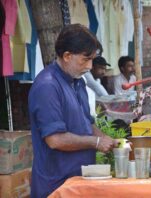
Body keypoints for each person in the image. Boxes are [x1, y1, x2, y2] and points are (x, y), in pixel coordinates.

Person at [28, 24, 119, 198]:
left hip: (78, 182)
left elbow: (87, 124)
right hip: (55, 186)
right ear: (67, 56)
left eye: (92, 59)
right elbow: (55, 140)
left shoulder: (78, 82)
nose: (90, 66)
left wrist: (107, 139)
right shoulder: (48, 86)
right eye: (85, 59)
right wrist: (96, 142)